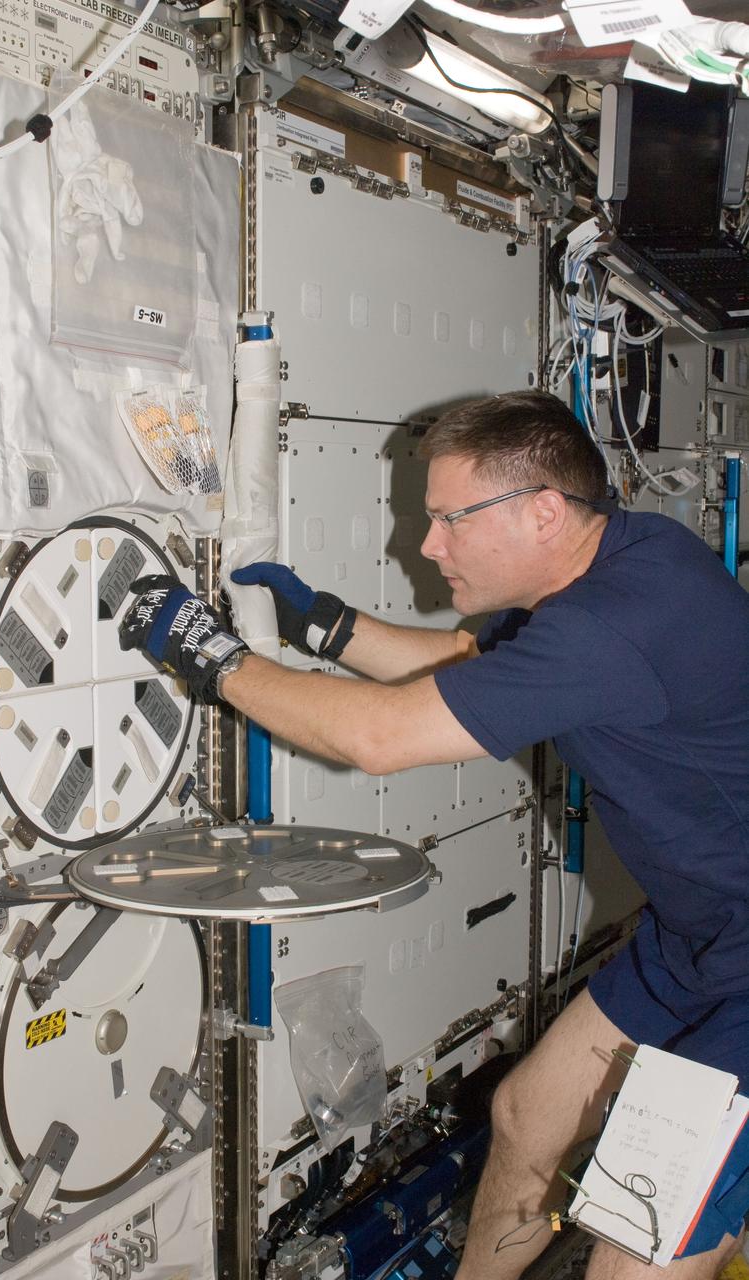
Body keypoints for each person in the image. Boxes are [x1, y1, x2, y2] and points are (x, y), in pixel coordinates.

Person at [119, 390, 749, 1279]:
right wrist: (325, 627)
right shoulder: (616, 566)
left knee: (633, 1247)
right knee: (529, 1116)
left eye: (451, 519)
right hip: (703, 936)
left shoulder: (619, 622)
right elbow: (467, 670)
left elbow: (379, 738)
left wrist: (209, 655)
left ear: (542, 512)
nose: (427, 545)